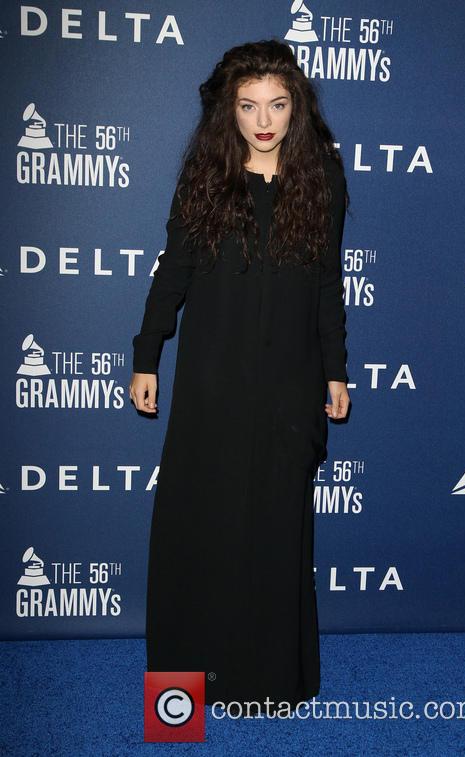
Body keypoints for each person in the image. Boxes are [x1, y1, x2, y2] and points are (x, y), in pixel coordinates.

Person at [129, 38, 351, 717]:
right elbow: (174, 273)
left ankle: (267, 685)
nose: (263, 119)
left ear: (297, 109)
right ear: (229, 109)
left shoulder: (324, 184)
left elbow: (325, 288)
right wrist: (147, 354)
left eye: (278, 105)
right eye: (249, 104)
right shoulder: (205, 178)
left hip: (289, 385)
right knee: (197, 530)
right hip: (212, 383)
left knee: (275, 533)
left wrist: (335, 373)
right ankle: (182, 696)